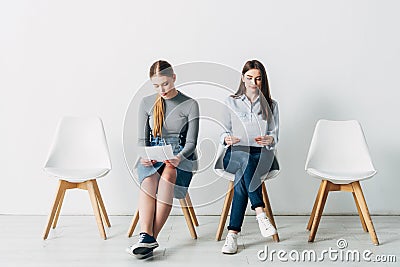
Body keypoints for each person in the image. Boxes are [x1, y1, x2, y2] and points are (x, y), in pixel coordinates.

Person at [127, 60, 199, 259]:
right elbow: (142, 140)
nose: (162, 89)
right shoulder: (146, 103)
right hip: (153, 154)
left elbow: (191, 143)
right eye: (156, 86)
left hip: (179, 155)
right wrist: (145, 155)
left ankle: (149, 238)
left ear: (174, 78)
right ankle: (146, 237)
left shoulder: (190, 104)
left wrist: (178, 158)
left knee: (168, 176)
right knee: (149, 180)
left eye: (165, 84)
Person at [219, 59, 280, 254]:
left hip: (261, 155)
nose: (254, 82)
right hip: (234, 153)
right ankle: (260, 213)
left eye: (258, 79)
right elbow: (222, 132)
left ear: (263, 80)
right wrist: (227, 138)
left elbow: (275, 135)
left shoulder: (271, 105)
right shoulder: (231, 101)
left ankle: (232, 235)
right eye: (250, 78)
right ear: (243, 78)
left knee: (242, 176)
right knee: (244, 160)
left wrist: (269, 139)